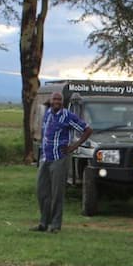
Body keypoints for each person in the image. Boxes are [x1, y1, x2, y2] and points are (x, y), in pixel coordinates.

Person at [34, 91, 92, 233]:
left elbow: (87, 130)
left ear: (62, 102)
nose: (57, 102)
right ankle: (43, 222)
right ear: (51, 100)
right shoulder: (47, 114)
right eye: (55, 99)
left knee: (57, 193)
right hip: (45, 158)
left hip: (59, 159)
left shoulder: (68, 116)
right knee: (42, 191)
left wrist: (74, 146)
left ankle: (55, 225)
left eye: (59, 100)